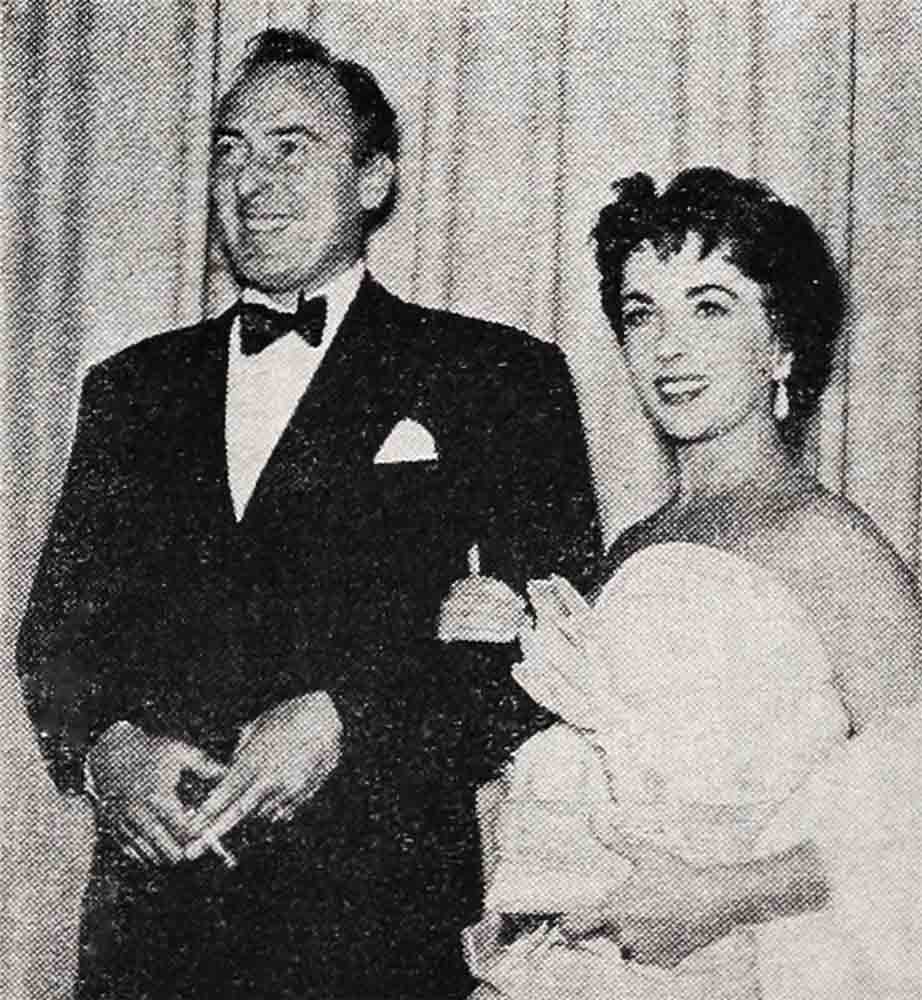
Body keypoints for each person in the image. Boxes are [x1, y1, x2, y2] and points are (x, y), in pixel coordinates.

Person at [16, 29, 601, 1000]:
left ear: (373, 180)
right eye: (231, 149)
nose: (254, 180)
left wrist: (348, 720)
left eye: (293, 147)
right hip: (150, 941)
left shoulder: (498, 378)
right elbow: (60, 633)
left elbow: (546, 660)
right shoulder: (131, 389)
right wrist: (106, 749)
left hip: (371, 934)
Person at [463, 167, 922, 999]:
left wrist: (721, 897)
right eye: (642, 313)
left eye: (710, 307)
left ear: (782, 342)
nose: (668, 348)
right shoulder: (633, 545)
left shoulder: (829, 541)